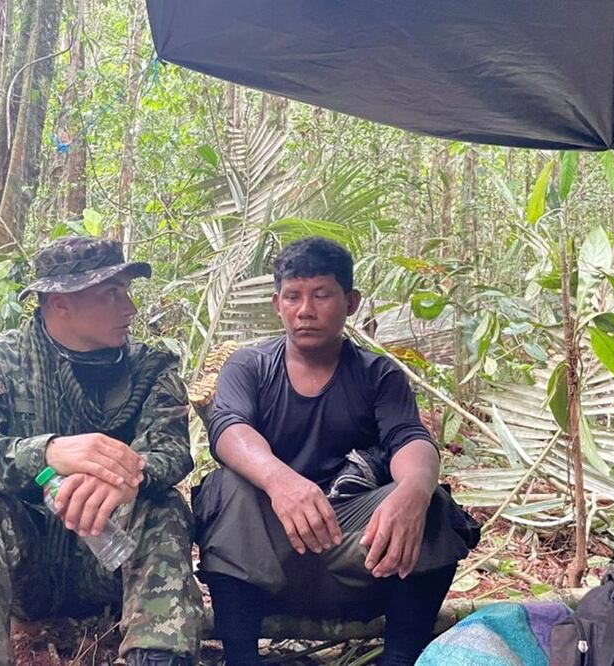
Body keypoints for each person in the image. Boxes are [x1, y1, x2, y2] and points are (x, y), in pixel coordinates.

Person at [193, 237, 480, 666]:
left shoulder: (377, 374)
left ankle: (400, 658)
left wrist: (415, 492)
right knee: (226, 487)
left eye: (321, 295)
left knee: (433, 504)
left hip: (355, 552)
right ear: (277, 303)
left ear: (351, 302)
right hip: (268, 554)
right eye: (292, 296)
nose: (305, 310)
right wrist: (281, 482)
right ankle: (242, 657)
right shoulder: (249, 366)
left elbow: (409, 439)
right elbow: (229, 428)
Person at [0, 237, 203, 666]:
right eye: (111, 293)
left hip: (114, 561)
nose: (128, 307)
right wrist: (46, 453)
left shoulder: (149, 368)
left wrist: (126, 479)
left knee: (162, 505)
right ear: (60, 302)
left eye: (126, 290)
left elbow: (170, 448)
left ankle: (160, 655)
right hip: (26, 565)